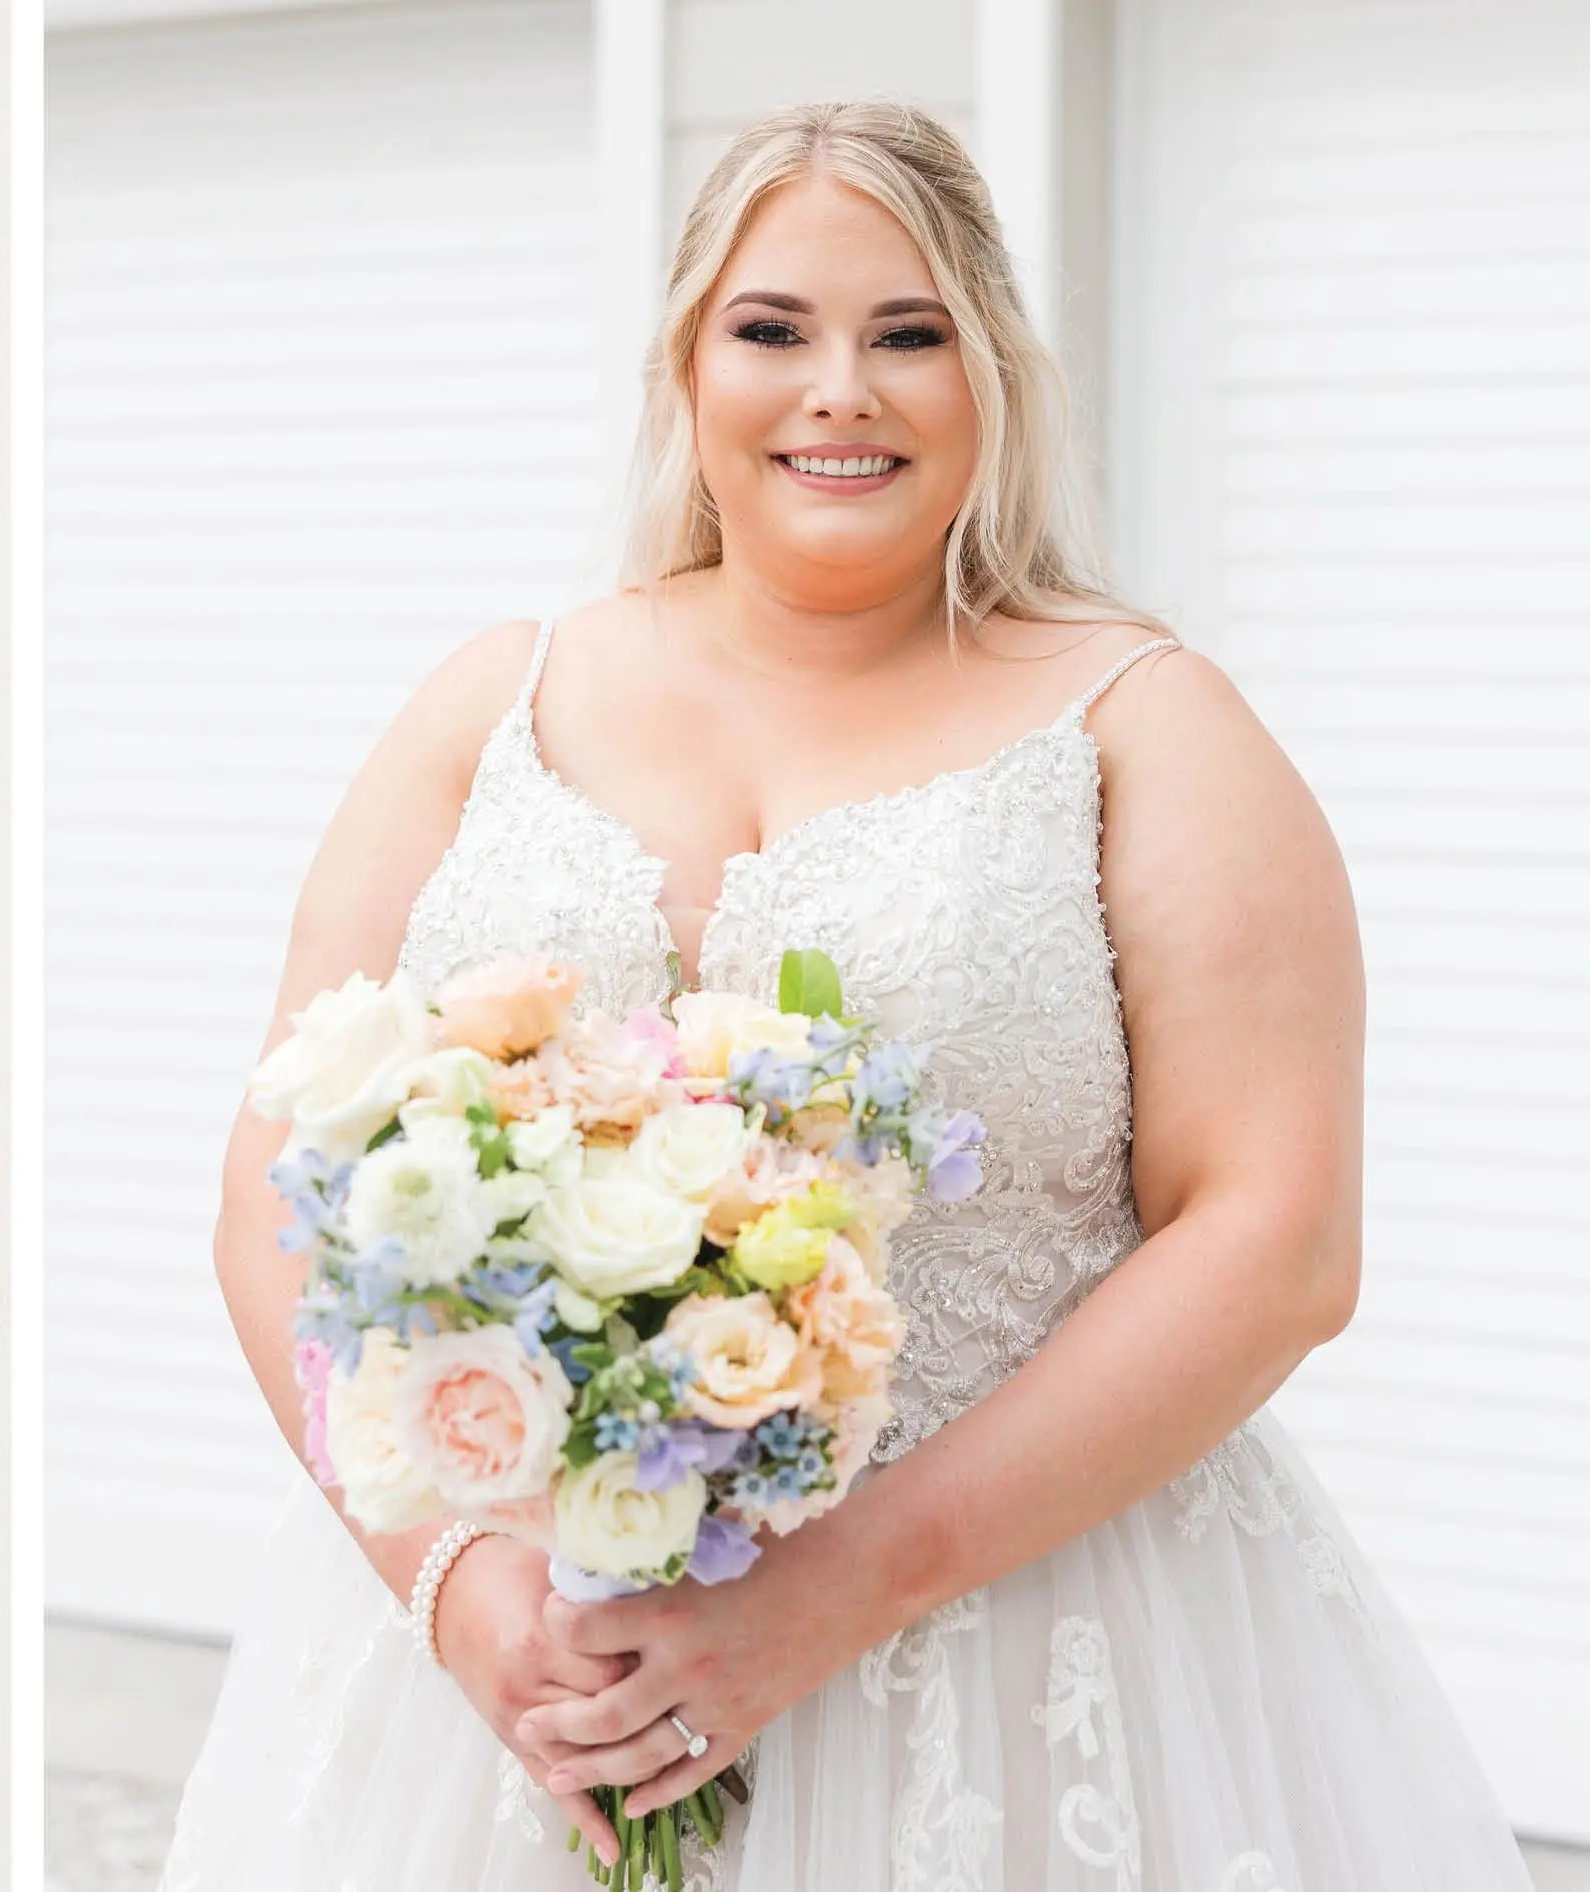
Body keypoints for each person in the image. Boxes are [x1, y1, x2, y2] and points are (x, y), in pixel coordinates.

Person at [160, 99, 1533, 1890]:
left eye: (910, 333)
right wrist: (459, 1594)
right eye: (773, 329)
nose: (841, 390)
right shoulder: (495, 701)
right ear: (683, 363)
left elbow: (1277, 1239)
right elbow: (277, 1197)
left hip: (1035, 1657)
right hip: (520, 1680)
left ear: (994, 374)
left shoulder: (1146, 726)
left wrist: (822, 1596)